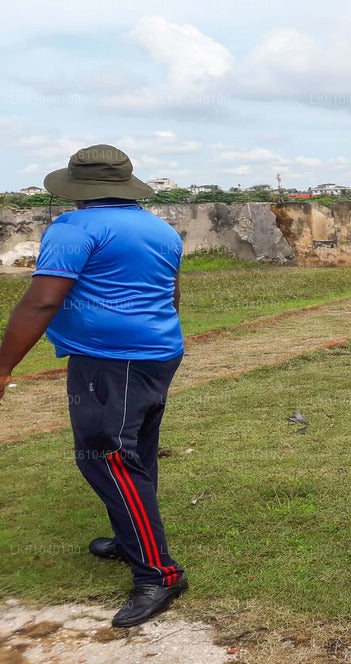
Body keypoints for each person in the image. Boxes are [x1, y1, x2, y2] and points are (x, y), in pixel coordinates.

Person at [0, 145, 188, 628]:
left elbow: (42, 302)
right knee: (135, 454)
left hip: (111, 360)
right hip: (157, 352)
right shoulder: (160, 228)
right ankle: (134, 543)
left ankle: (158, 574)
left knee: (107, 459)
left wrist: (3, 367)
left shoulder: (74, 228)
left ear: (77, 188)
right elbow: (171, 294)